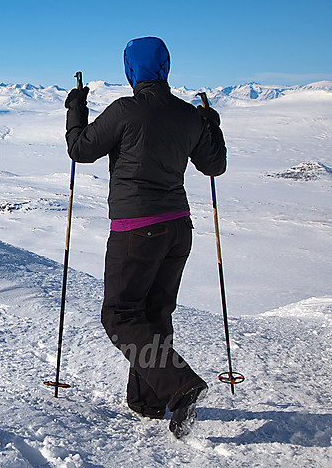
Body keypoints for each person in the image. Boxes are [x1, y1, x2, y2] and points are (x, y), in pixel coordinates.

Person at [64, 36, 226, 439]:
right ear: (165, 67)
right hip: (178, 228)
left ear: (131, 70)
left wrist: (76, 108)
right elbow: (214, 166)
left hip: (137, 229)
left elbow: (80, 149)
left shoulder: (125, 111)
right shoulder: (189, 116)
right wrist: (211, 125)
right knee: (154, 313)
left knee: (119, 316)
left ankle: (180, 385)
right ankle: (150, 400)